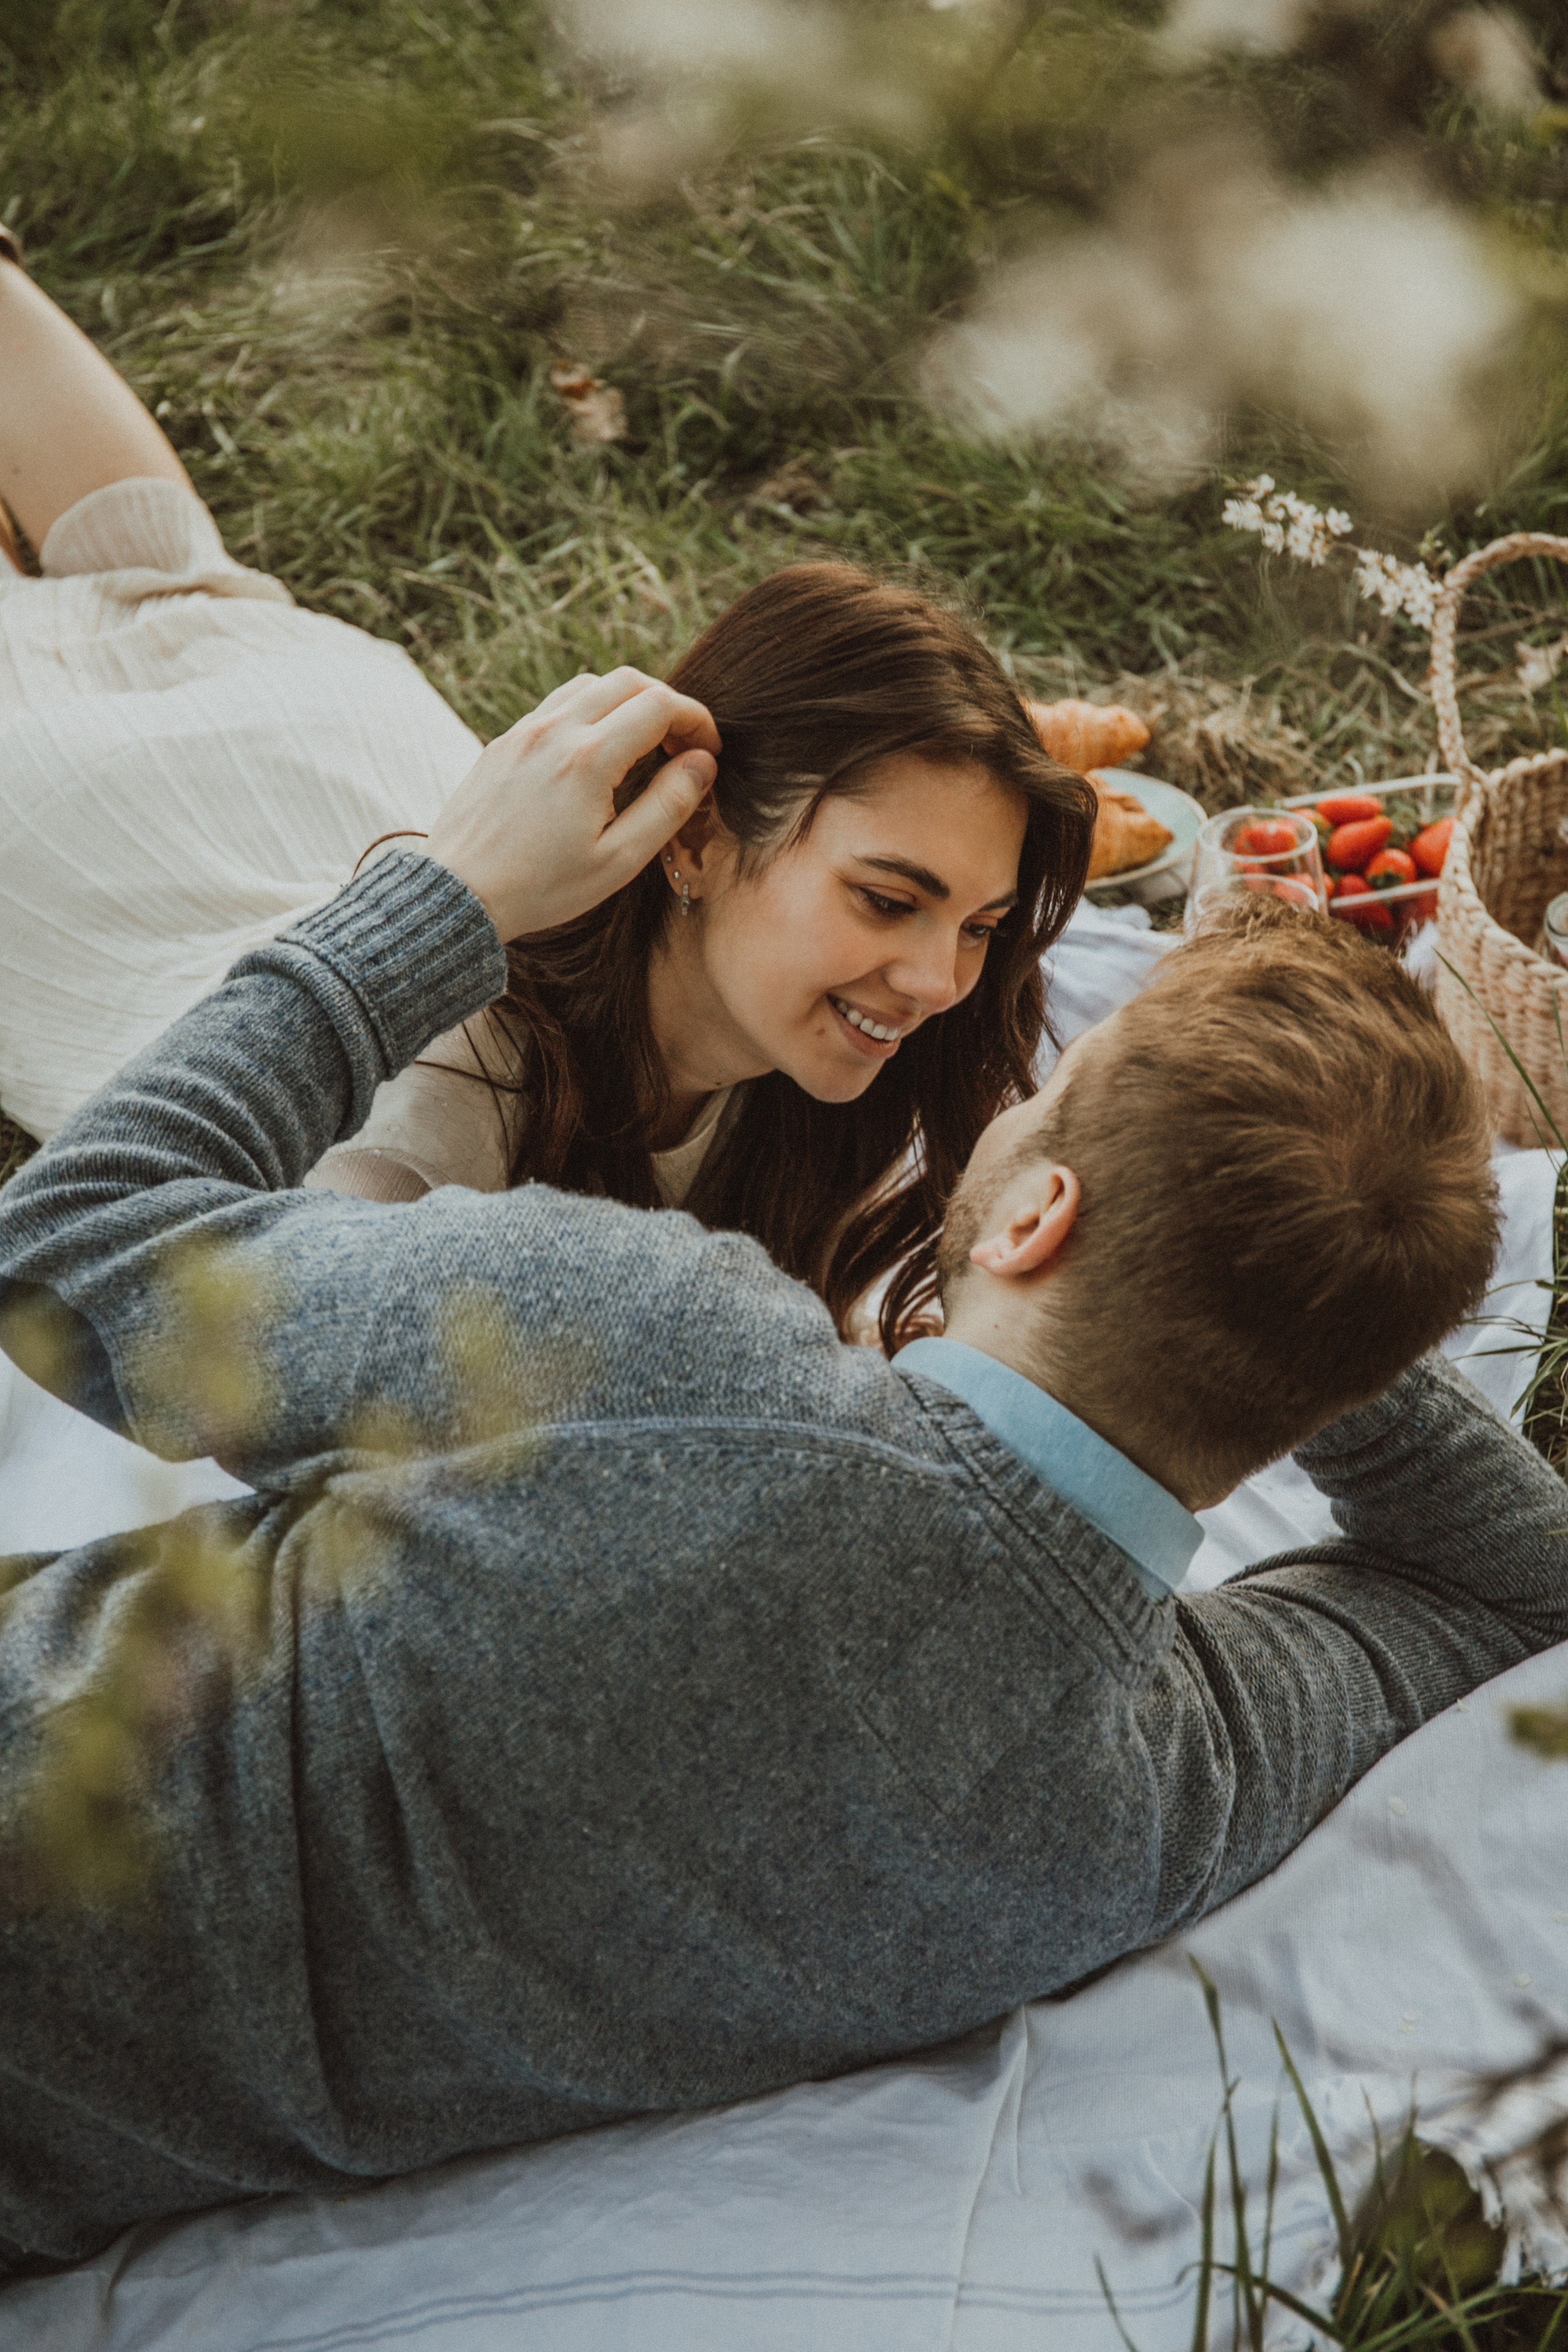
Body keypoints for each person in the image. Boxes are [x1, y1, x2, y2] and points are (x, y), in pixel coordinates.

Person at [0, 672, 1564, 2280]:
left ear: (1037, 1220)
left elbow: (65, 1257)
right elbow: (1522, 1580)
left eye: (1051, 1101)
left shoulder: (661, 1345)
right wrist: (1310, 1292)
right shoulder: (1135, 1814)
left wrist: (445, 893)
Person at [0, 235, 1094, 1348]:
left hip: (327, 756)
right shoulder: (430, 1122)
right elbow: (143, 1310)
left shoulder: (812, 1067)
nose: (940, 982)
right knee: (125, 612)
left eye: (980, 926)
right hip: (88, 843)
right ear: (698, 836)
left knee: (180, 589)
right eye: (888, 900)